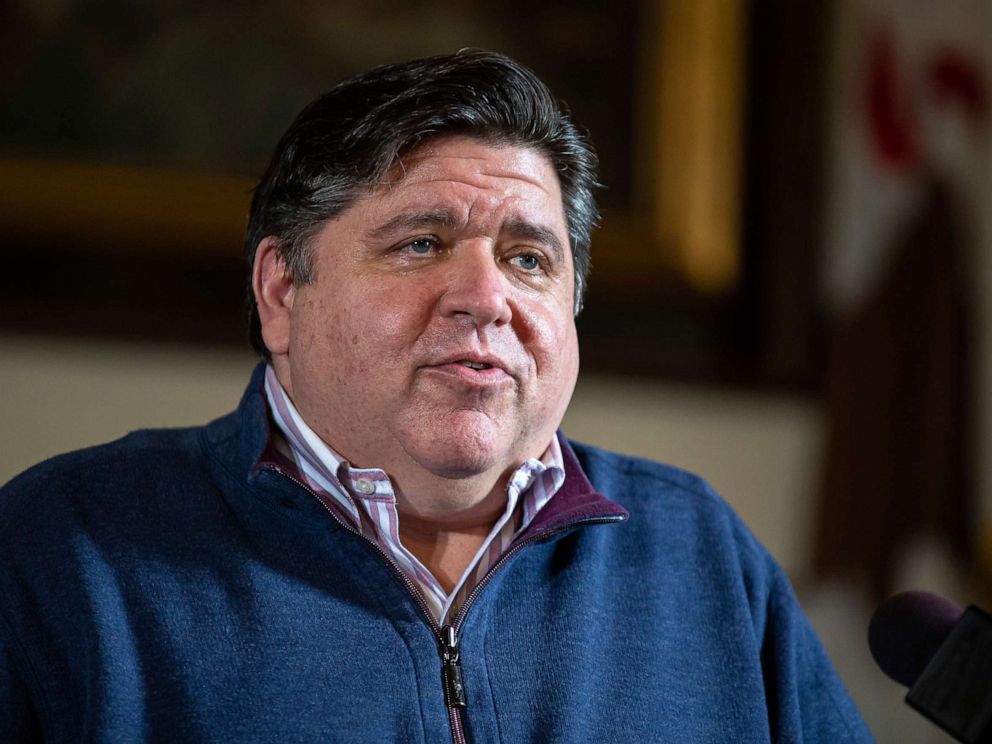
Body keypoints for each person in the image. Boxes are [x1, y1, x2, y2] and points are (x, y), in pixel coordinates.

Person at [0, 51, 874, 742]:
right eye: (421, 244)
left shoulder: (700, 555)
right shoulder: (67, 547)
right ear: (281, 292)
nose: (486, 296)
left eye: (529, 259)